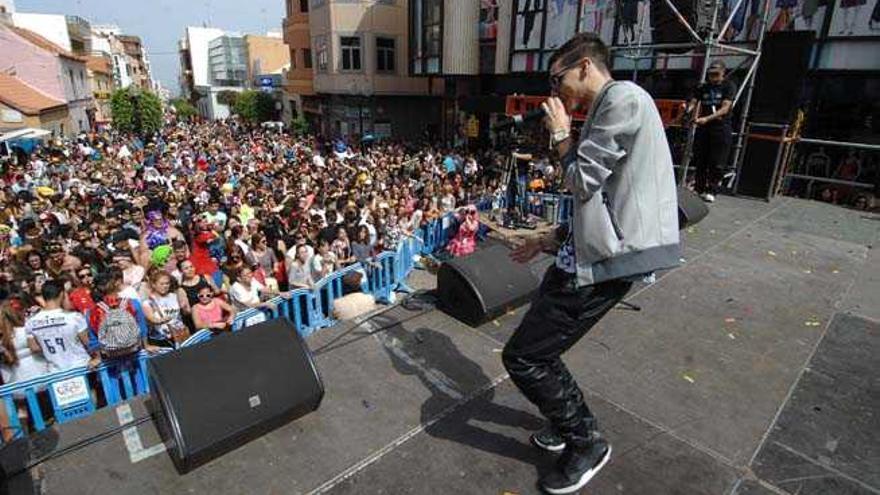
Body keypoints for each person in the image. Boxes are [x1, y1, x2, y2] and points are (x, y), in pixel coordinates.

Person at [504, 33, 680, 494]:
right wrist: (552, 237)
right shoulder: (613, 106)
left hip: (609, 259)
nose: (554, 88)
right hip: (587, 252)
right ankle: (567, 428)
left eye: (557, 76)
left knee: (525, 356)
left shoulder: (622, 99)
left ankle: (586, 442)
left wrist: (562, 135)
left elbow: (582, 182)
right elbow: (603, 198)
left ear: (584, 66)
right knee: (541, 349)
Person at [688, 60, 736, 203]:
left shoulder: (728, 86)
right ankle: (699, 188)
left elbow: (726, 107)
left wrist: (707, 118)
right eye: (710, 74)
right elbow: (694, 101)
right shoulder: (703, 87)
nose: (712, 77)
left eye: (716, 74)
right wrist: (688, 109)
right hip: (704, 128)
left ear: (723, 73)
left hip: (720, 127)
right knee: (701, 159)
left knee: (717, 161)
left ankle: (712, 189)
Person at [25, 280, 98, 372]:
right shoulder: (74, 317)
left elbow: (34, 348)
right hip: (81, 367)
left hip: (56, 372)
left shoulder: (31, 322)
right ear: (62, 294)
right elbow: (89, 343)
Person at [142, 270, 190, 348]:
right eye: (161, 284)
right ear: (154, 285)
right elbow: (152, 319)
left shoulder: (174, 296)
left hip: (180, 335)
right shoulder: (148, 302)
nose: (165, 286)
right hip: (162, 340)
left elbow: (185, 314)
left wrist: (185, 308)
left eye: (167, 283)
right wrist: (164, 320)